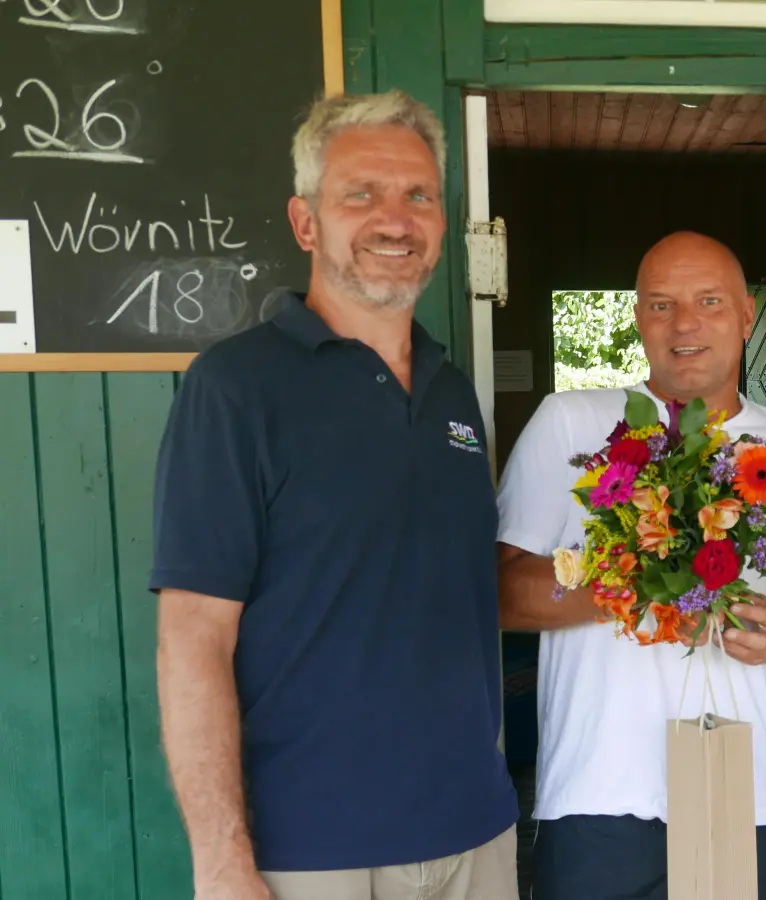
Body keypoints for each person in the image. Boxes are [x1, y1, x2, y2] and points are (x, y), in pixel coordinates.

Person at [149, 90, 518, 900]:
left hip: (475, 834)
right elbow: (193, 640)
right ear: (306, 222)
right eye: (362, 194)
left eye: (418, 195)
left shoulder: (455, 394)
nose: (396, 218)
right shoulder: (236, 389)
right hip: (313, 852)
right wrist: (221, 863)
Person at [495, 231, 766, 900]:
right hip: (595, 798)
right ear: (637, 319)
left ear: (747, 316)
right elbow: (501, 590)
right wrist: (633, 577)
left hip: (738, 793)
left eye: (709, 301)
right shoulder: (570, 423)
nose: (685, 323)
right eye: (661, 304)